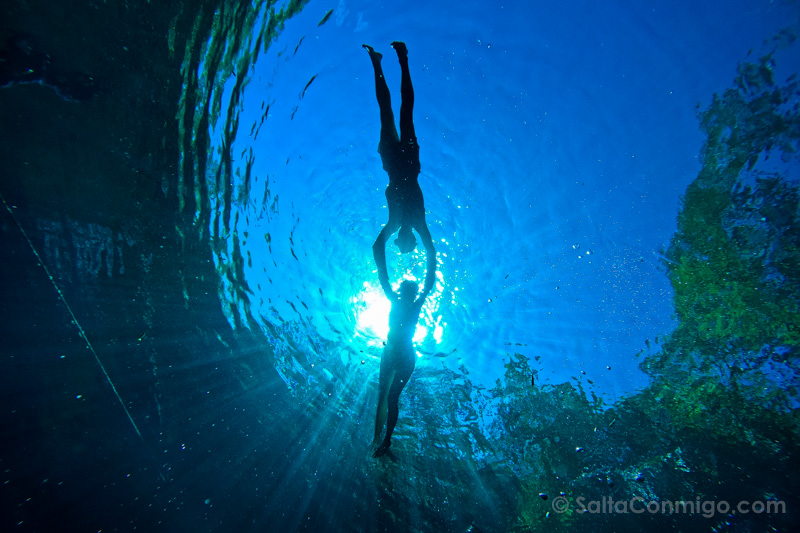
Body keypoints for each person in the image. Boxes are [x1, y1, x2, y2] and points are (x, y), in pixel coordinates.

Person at [363, 41, 436, 288]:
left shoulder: (394, 223)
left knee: (388, 112)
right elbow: (432, 253)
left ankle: (378, 63)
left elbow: (376, 247)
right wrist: (426, 288)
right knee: (405, 111)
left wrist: (387, 287)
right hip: (407, 162)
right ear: (413, 238)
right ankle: (402, 59)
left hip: (393, 165)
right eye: (409, 242)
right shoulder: (418, 223)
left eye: (400, 242)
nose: (404, 239)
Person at [371, 258, 436, 457]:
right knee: (386, 397)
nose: (409, 295)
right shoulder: (404, 303)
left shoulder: (405, 303)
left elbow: (385, 281)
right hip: (398, 354)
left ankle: (383, 440)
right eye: (408, 292)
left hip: (399, 355)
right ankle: (379, 440)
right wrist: (431, 259)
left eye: (410, 292)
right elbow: (427, 286)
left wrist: (431, 259)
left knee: (388, 397)